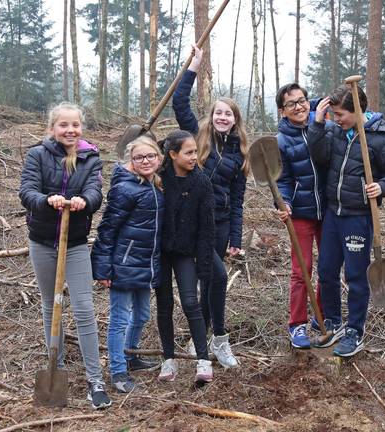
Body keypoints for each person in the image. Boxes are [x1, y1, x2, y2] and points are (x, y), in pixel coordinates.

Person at [19, 102, 111, 410]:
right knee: (51, 304)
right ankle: (53, 367)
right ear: (52, 128)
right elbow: (27, 192)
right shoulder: (37, 155)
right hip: (43, 241)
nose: (70, 130)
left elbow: (96, 193)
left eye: (75, 125)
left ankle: (95, 380)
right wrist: (48, 200)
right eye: (64, 125)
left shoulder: (91, 158)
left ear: (81, 128)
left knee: (84, 308)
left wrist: (85, 200)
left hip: (74, 243)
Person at [306, 83, 385, 358]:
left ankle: (355, 331)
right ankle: (333, 323)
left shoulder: (383, 138)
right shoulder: (335, 132)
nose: (336, 119)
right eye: (334, 114)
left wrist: (382, 187)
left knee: (355, 276)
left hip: (358, 218)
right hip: (333, 213)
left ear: (358, 109)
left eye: (340, 114)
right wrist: (317, 123)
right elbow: (319, 155)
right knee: (326, 271)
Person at [172, 44, 246, 368]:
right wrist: (193, 67)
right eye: (218, 112)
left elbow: (240, 198)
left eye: (228, 114)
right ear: (212, 116)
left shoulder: (240, 153)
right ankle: (214, 338)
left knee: (212, 281)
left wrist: (237, 239)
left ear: (234, 120)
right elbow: (179, 102)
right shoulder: (196, 137)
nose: (222, 117)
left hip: (223, 222)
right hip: (197, 222)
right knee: (213, 278)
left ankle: (206, 339)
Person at [91, 135, 164, 393]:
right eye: (139, 157)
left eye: (150, 156)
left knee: (142, 314)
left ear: (159, 158)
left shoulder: (154, 186)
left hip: (145, 265)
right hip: (122, 265)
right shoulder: (125, 189)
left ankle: (131, 355)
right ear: (131, 161)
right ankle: (118, 371)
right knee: (120, 319)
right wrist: (102, 268)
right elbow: (107, 230)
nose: (145, 161)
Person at [155, 130, 216, 384]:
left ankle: (203, 360)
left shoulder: (201, 183)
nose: (194, 157)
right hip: (160, 252)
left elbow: (207, 230)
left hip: (184, 253)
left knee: (191, 302)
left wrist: (203, 268)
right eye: (188, 152)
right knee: (164, 305)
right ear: (172, 154)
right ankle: (168, 360)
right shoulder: (159, 179)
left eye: (195, 152)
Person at [273, 83, 328, 349]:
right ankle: (297, 325)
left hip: (329, 211)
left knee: (327, 268)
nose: (299, 107)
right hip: (301, 214)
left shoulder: (324, 125)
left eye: (302, 100)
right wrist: (284, 202)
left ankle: (322, 316)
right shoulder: (281, 141)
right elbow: (282, 180)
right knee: (301, 269)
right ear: (282, 111)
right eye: (292, 104)